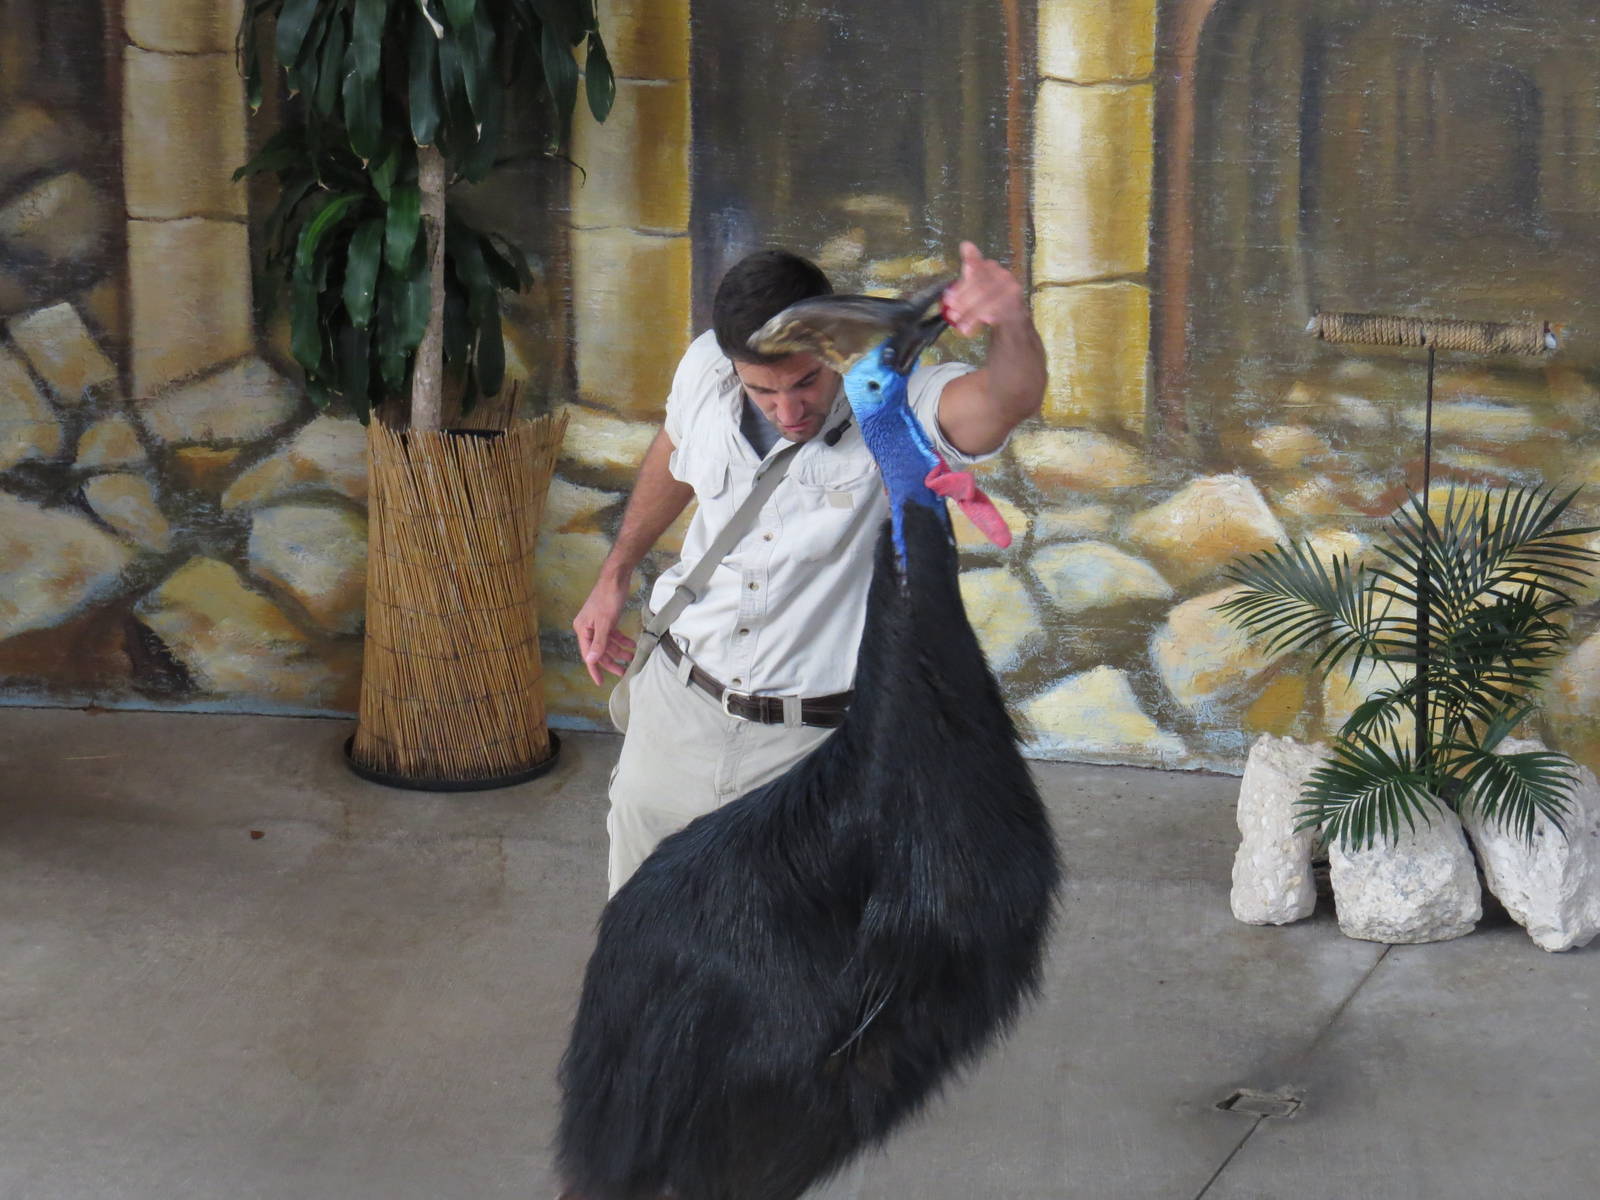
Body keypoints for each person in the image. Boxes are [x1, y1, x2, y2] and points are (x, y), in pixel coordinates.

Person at [572, 241, 1046, 896]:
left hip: (810, 748)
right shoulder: (706, 365)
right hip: (680, 708)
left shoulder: (895, 398)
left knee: (794, 944)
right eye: (763, 391)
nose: (788, 411)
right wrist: (615, 571)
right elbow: (676, 446)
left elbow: (1005, 399)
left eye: (805, 383)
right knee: (639, 922)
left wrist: (1012, 321)